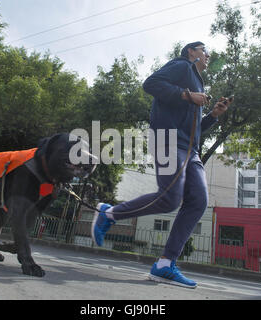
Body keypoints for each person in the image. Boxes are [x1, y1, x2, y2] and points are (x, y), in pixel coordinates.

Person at [91, 41, 231, 288]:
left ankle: (165, 264)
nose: (208, 55)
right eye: (204, 50)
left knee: (198, 202)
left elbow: (194, 128)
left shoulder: (198, 83)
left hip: (191, 150)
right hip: (167, 140)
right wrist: (188, 95)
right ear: (191, 52)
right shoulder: (182, 66)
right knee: (170, 198)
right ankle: (109, 214)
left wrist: (213, 116)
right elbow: (151, 84)